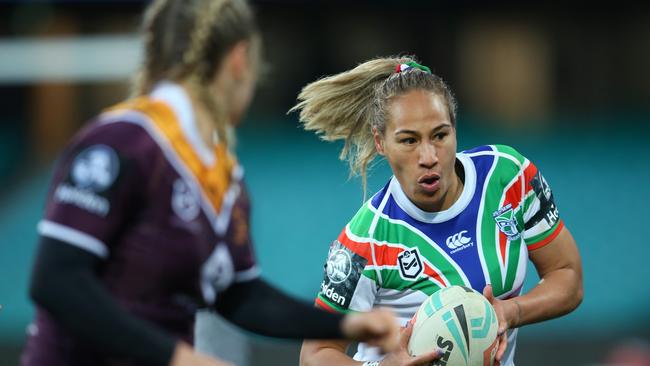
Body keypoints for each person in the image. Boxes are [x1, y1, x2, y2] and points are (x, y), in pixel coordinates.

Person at [20, 1, 401, 365]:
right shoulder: (124, 142)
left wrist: (347, 324)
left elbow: (239, 295)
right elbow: (56, 280)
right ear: (239, 60)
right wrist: (178, 358)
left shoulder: (221, 176)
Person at [291, 57, 584, 366]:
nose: (428, 156)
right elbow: (314, 354)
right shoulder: (365, 240)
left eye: (440, 135)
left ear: (455, 129)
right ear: (381, 142)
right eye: (409, 141)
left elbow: (567, 276)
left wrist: (513, 311)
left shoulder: (507, 177)